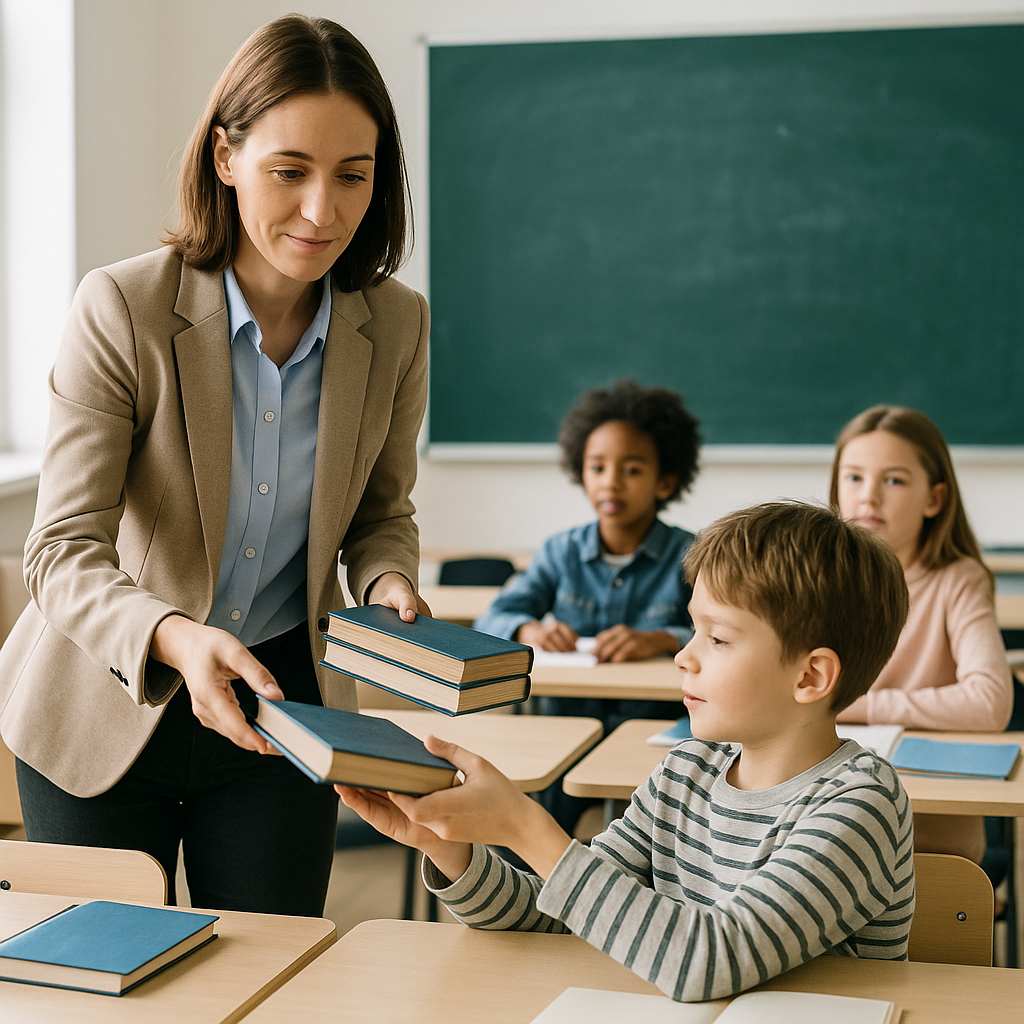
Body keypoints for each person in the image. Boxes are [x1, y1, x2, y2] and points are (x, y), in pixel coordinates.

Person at [0, 15, 429, 916]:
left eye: (353, 176)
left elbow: (381, 513)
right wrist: (176, 638)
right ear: (226, 157)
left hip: (283, 714)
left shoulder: (395, 325)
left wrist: (388, 582)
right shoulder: (123, 307)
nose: (323, 210)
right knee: (113, 989)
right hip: (102, 706)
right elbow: (61, 553)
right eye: (289, 172)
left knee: (276, 979)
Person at [339, 503, 916, 1002]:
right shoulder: (685, 773)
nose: (683, 658)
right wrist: (451, 849)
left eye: (717, 639)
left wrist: (524, 827)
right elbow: (556, 912)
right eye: (691, 631)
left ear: (811, 675)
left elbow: (710, 962)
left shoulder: (861, 804)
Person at [831, 405, 1013, 863]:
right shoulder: (816, 580)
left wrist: (860, 707)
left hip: (930, 824)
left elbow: (991, 702)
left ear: (934, 499)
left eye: (893, 481)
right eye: (853, 478)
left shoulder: (958, 580)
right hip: (829, 804)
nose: (868, 498)